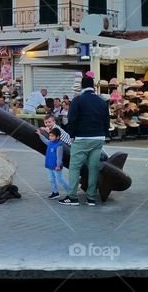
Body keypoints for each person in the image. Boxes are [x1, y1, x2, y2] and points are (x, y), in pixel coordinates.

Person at [58, 76, 107, 207]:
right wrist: (103, 134)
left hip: (81, 138)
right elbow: (106, 121)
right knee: (93, 167)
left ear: (82, 86)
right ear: (93, 86)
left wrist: (72, 135)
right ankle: (91, 198)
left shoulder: (78, 100)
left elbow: (71, 119)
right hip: (98, 139)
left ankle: (72, 197)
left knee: (75, 167)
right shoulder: (102, 101)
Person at [44, 127, 69, 199]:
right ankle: (55, 192)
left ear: (57, 137)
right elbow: (45, 140)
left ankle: (70, 191)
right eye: (50, 135)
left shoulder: (59, 146)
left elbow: (59, 157)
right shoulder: (50, 143)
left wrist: (58, 166)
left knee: (60, 180)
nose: (50, 137)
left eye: (52, 136)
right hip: (49, 166)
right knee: (51, 180)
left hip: (56, 167)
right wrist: (40, 135)